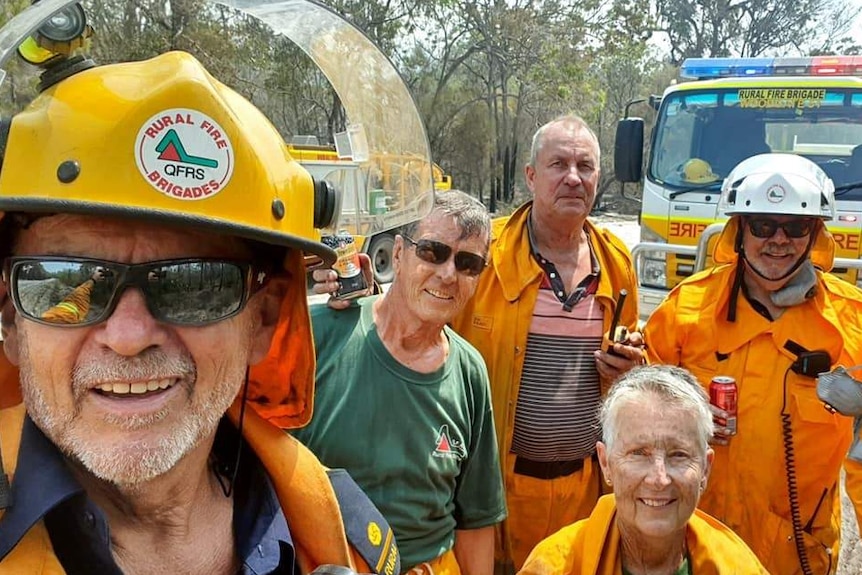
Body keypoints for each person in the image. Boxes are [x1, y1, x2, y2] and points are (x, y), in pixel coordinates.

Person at [0, 49, 401, 574]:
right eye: (70, 282)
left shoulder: (341, 541)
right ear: (10, 319)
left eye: (196, 284)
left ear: (262, 318)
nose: (128, 336)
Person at [644, 153, 862, 574]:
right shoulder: (685, 311)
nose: (778, 240)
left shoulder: (851, 325)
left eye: (795, 227)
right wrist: (681, 417)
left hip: (797, 554)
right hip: (693, 546)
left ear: (814, 233)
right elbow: (636, 421)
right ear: (739, 231)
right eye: (762, 225)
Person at [295, 191, 507, 574]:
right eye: (432, 251)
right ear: (397, 254)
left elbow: (476, 517)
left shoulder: (470, 373)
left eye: (467, 263)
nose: (447, 273)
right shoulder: (320, 336)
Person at [518, 365, 768, 575]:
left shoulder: (738, 566)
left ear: (705, 468)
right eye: (638, 453)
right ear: (606, 463)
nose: (659, 479)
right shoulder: (554, 567)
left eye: (678, 455)